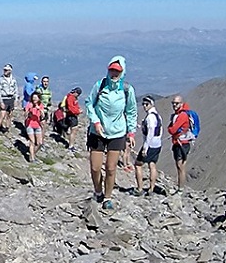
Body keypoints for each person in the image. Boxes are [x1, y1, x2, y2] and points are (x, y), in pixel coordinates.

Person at [85, 55, 137, 210]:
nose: (114, 74)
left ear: (122, 72)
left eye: (117, 71)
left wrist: (131, 133)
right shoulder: (100, 85)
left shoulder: (127, 90)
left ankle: (107, 197)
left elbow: (131, 111)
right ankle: (98, 191)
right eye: (112, 70)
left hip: (117, 132)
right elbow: (89, 103)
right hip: (97, 131)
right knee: (95, 167)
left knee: (111, 167)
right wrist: (95, 121)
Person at [132, 95, 162, 196]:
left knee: (138, 164)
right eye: (143, 104)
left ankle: (140, 188)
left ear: (151, 104)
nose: (144, 106)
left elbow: (150, 133)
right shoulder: (158, 116)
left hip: (150, 145)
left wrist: (145, 147)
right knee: (152, 164)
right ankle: (151, 188)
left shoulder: (150, 117)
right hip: (157, 144)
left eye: (146, 104)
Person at [167, 95, 195, 194]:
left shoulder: (182, 115)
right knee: (180, 165)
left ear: (181, 103)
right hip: (181, 142)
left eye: (176, 103)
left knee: (180, 166)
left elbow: (172, 129)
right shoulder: (178, 114)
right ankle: (180, 187)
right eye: (173, 103)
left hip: (181, 143)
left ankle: (181, 189)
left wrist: (170, 129)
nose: (174, 105)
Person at [53, 87, 83, 151]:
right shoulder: (71, 98)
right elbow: (71, 107)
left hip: (71, 115)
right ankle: (71, 146)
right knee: (73, 130)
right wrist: (78, 111)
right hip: (71, 116)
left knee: (73, 130)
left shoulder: (71, 97)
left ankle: (70, 144)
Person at [0, 64, 18, 133]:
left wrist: (16, 99)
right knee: (2, 114)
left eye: (6, 70)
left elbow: (16, 89)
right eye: (4, 70)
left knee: (9, 114)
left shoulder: (13, 79)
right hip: (4, 98)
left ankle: (7, 128)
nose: (5, 71)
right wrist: (0, 101)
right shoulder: (1, 79)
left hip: (11, 98)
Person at [24, 91, 45, 162]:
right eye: (33, 98)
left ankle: (32, 154)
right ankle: (32, 158)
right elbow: (25, 115)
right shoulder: (29, 104)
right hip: (30, 125)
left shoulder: (41, 105)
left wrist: (39, 109)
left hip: (37, 125)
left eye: (36, 98)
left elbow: (43, 116)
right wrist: (28, 111)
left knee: (39, 143)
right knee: (32, 141)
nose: (34, 99)